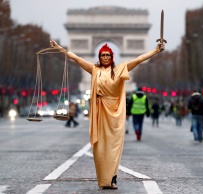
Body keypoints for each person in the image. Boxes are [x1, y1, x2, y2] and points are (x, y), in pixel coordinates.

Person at [50, 39, 165, 189]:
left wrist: (156, 50)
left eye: (108, 55)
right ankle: (104, 180)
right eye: (102, 55)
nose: (105, 57)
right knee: (100, 147)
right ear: (99, 57)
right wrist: (60, 48)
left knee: (114, 146)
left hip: (115, 113)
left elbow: (138, 59)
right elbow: (77, 58)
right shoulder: (94, 70)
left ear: (112, 57)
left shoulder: (120, 69)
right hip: (100, 111)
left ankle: (113, 178)